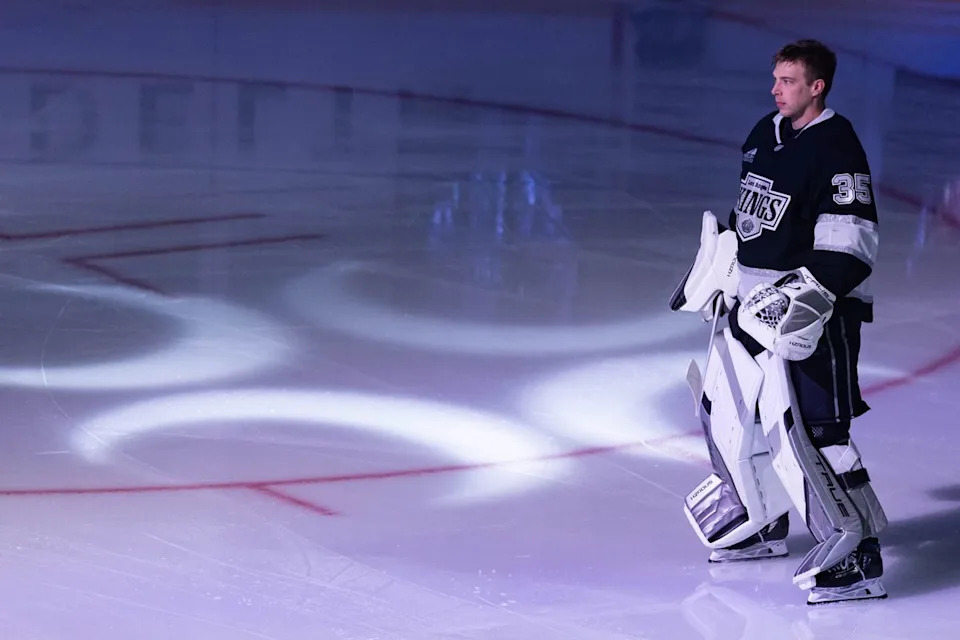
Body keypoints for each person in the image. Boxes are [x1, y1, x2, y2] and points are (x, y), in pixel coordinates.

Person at [670, 39, 887, 604]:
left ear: (817, 86)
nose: (775, 89)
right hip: (749, 304)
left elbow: (853, 243)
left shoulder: (837, 147)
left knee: (813, 436)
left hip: (811, 317)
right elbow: (750, 219)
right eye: (774, 79)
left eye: (787, 80)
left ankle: (858, 553)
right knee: (726, 411)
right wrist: (723, 268)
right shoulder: (763, 135)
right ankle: (759, 516)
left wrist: (808, 296)